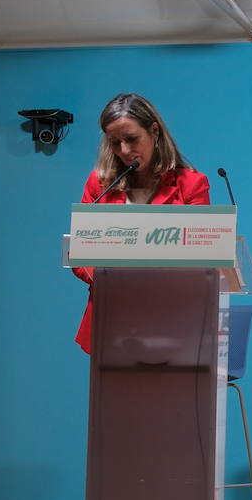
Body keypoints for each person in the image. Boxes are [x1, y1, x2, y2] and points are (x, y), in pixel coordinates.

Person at [72, 93, 211, 353]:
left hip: (174, 318)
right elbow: (79, 255)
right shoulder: (99, 184)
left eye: (132, 139)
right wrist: (109, 276)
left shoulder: (191, 184)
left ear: (154, 132)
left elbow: (203, 254)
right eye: (115, 142)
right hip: (112, 316)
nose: (124, 151)